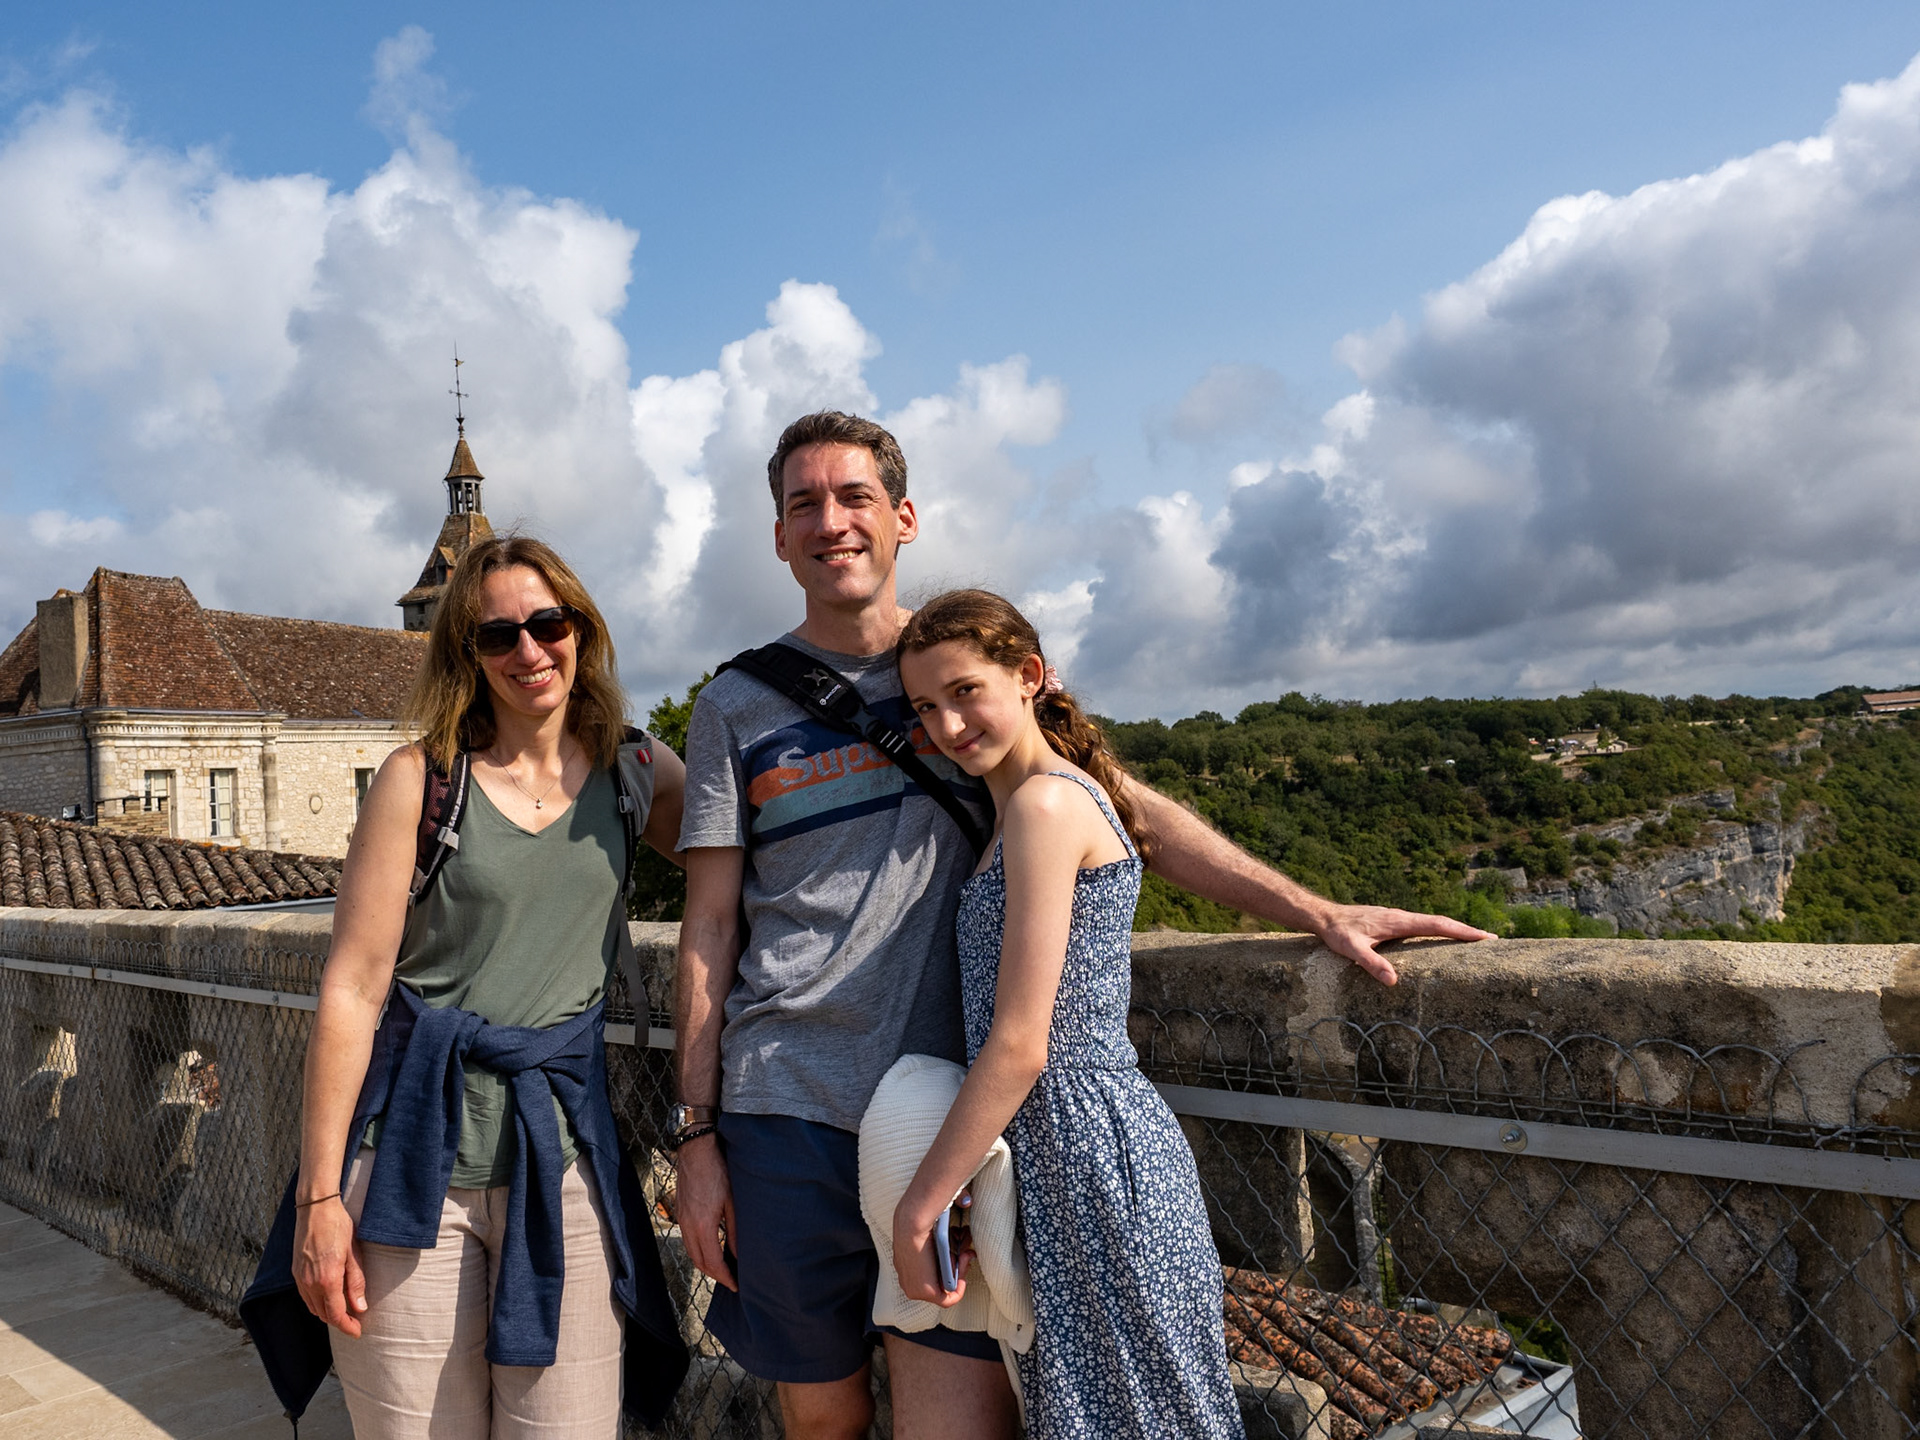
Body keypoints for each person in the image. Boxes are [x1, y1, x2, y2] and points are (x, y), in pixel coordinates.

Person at [672, 410, 1492, 1440]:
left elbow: (1129, 811)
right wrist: (697, 1136)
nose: (831, 523)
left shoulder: (963, 668)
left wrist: (1313, 908)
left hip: (952, 1120)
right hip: (786, 1102)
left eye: (855, 498)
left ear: (903, 518)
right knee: (822, 1415)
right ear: (779, 535)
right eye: (804, 505)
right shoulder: (737, 706)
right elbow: (707, 928)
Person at [284, 534, 688, 1439]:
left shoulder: (635, 773)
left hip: (563, 1158)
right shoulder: (421, 779)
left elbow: (754, 863)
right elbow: (352, 985)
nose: (529, 651)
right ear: (465, 656)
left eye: (549, 624)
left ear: (582, 629)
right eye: (496, 636)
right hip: (409, 1159)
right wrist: (319, 1200)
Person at [891, 589, 1243, 1438]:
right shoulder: (1022, 807)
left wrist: (920, 1206)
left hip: (1088, 1149)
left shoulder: (1045, 806)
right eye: (924, 708)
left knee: (1141, 1415)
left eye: (964, 691)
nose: (946, 725)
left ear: (1030, 678)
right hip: (1063, 1153)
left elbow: (1020, 1045)